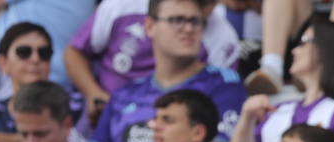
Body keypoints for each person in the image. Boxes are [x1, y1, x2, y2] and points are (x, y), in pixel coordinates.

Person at [89, 0, 246, 142]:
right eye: (177, 20)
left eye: (195, 21)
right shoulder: (124, 93)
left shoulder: (224, 84)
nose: (188, 29)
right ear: (150, 26)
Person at [64, 0, 243, 112]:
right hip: (110, 111)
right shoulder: (121, 5)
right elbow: (75, 51)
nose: (205, 10)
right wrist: (94, 94)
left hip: (180, 126)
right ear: (150, 26)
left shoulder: (223, 37)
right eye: (178, 20)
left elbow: (223, 97)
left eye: (211, 3)